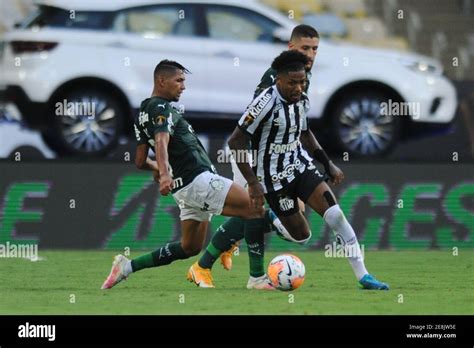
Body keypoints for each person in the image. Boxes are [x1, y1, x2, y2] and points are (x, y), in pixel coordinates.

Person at [227, 50, 389, 290]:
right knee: (301, 236)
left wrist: (327, 163)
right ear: (278, 79)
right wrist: (253, 183)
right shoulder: (263, 103)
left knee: (335, 215)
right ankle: (267, 219)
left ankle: (363, 275)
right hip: (273, 179)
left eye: (301, 82)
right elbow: (235, 141)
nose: (298, 88)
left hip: (299, 166)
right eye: (292, 83)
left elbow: (304, 132)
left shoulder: (301, 100)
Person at [101, 60, 263, 290]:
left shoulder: (142, 115)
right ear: (161, 81)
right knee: (255, 209)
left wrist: (158, 169)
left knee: (190, 247)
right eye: (179, 81)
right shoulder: (159, 107)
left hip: (184, 189)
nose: (183, 86)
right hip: (197, 180)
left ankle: (127, 267)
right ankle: (257, 276)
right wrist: (165, 173)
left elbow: (139, 161)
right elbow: (161, 140)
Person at [195, 25, 320, 289]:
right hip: (254, 156)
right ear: (291, 47)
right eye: (304, 48)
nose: (310, 54)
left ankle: (209, 259)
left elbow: (296, 126)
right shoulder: (275, 77)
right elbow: (252, 123)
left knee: (266, 215)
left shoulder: (301, 77)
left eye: (314, 49)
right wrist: (254, 169)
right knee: (259, 212)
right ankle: (249, 276)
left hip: (280, 159)